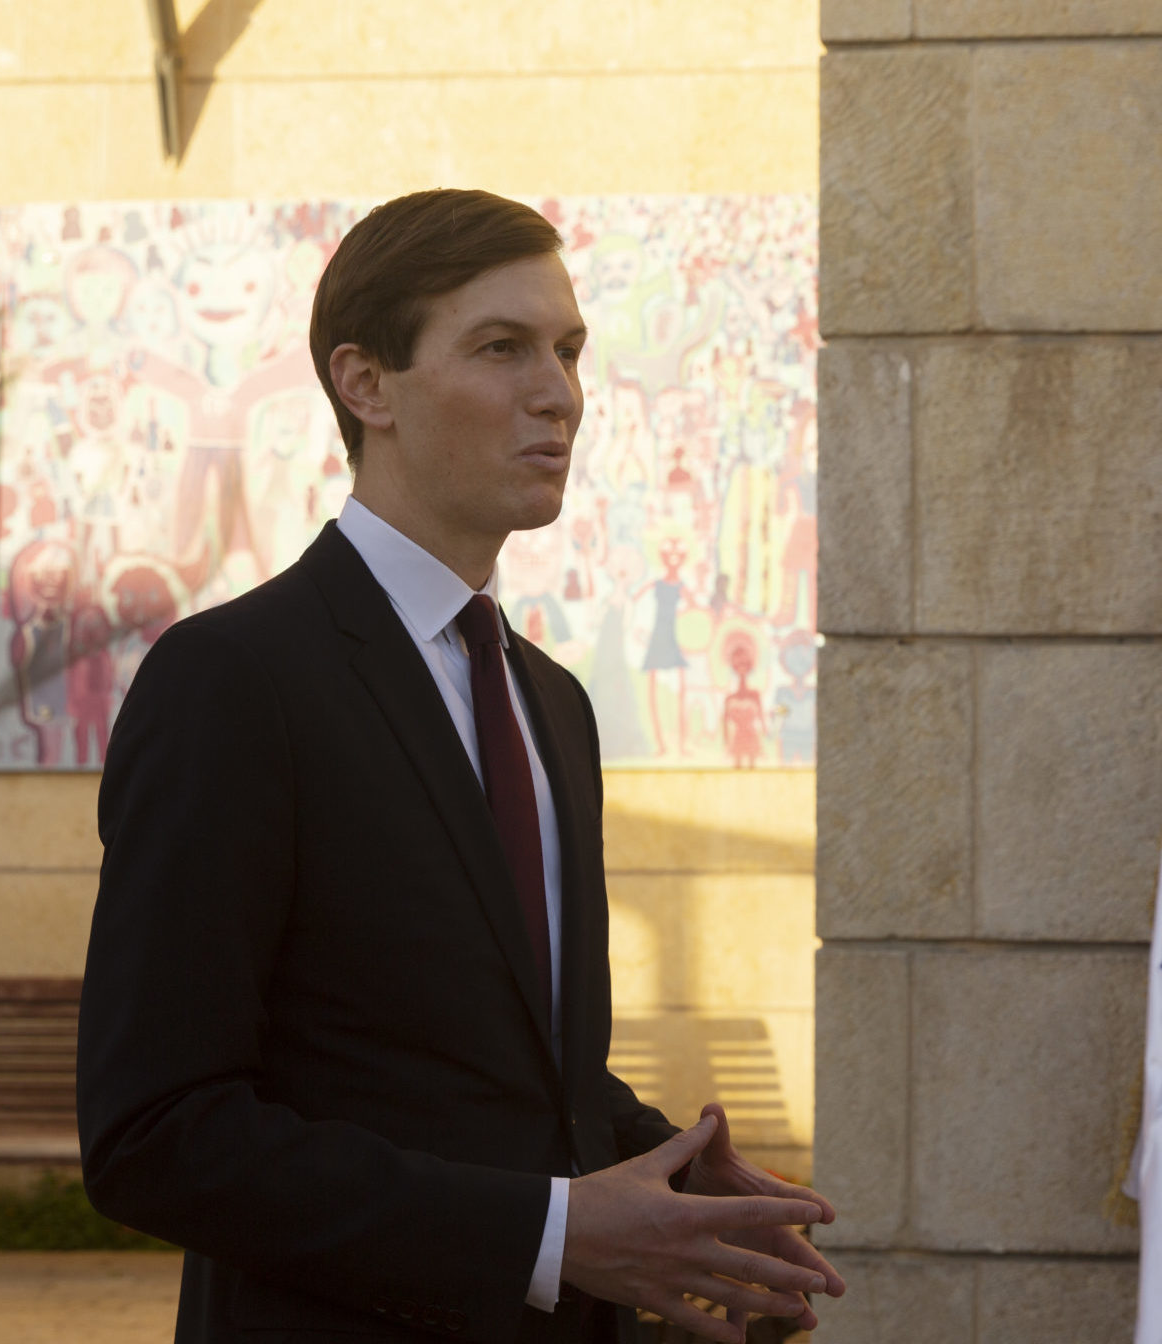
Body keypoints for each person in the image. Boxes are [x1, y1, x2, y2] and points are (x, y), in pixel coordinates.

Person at [77, 189, 841, 1344]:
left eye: (570, 351)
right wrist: (546, 1236)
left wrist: (664, 1179)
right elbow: (158, 1136)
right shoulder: (234, 681)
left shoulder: (553, 704)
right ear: (365, 384)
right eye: (502, 348)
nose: (559, 394)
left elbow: (505, 1079)